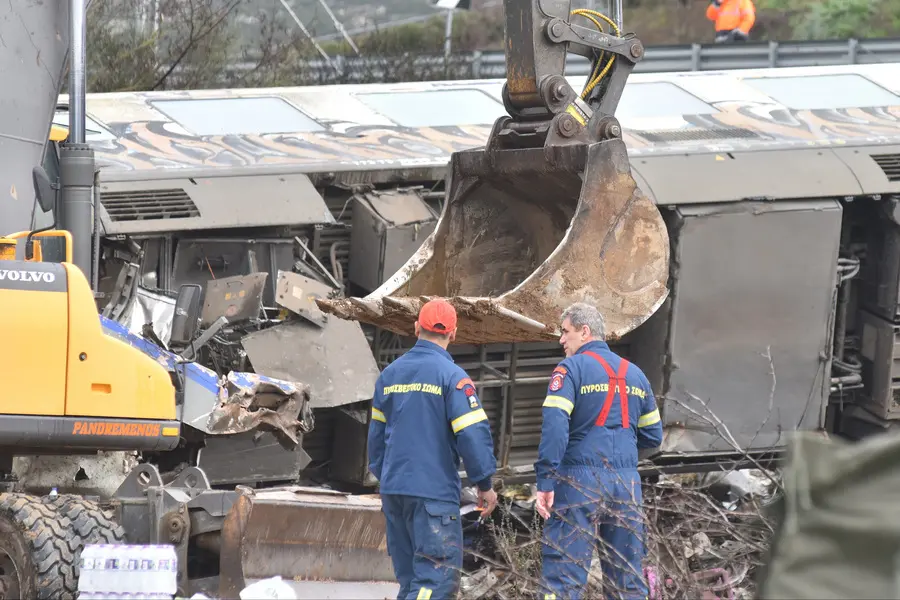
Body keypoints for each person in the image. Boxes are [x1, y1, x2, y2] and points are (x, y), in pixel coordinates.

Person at [368, 298, 499, 600]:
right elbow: (472, 434)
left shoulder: (389, 376)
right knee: (434, 582)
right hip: (433, 496)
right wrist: (484, 484)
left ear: (416, 328)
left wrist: (387, 477)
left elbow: (375, 440)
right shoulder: (453, 378)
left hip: (395, 491)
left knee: (412, 581)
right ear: (453, 334)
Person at [535, 302, 663, 600]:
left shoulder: (570, 370)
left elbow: (555, 426)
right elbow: (653, 435)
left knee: (564, 576)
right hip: (627, 486)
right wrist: (622, 455)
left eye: (565, 332)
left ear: (585, 331)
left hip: (578, 481)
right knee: (626, 577)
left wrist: (546, 480)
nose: (561, 340)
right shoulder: (636, 375)